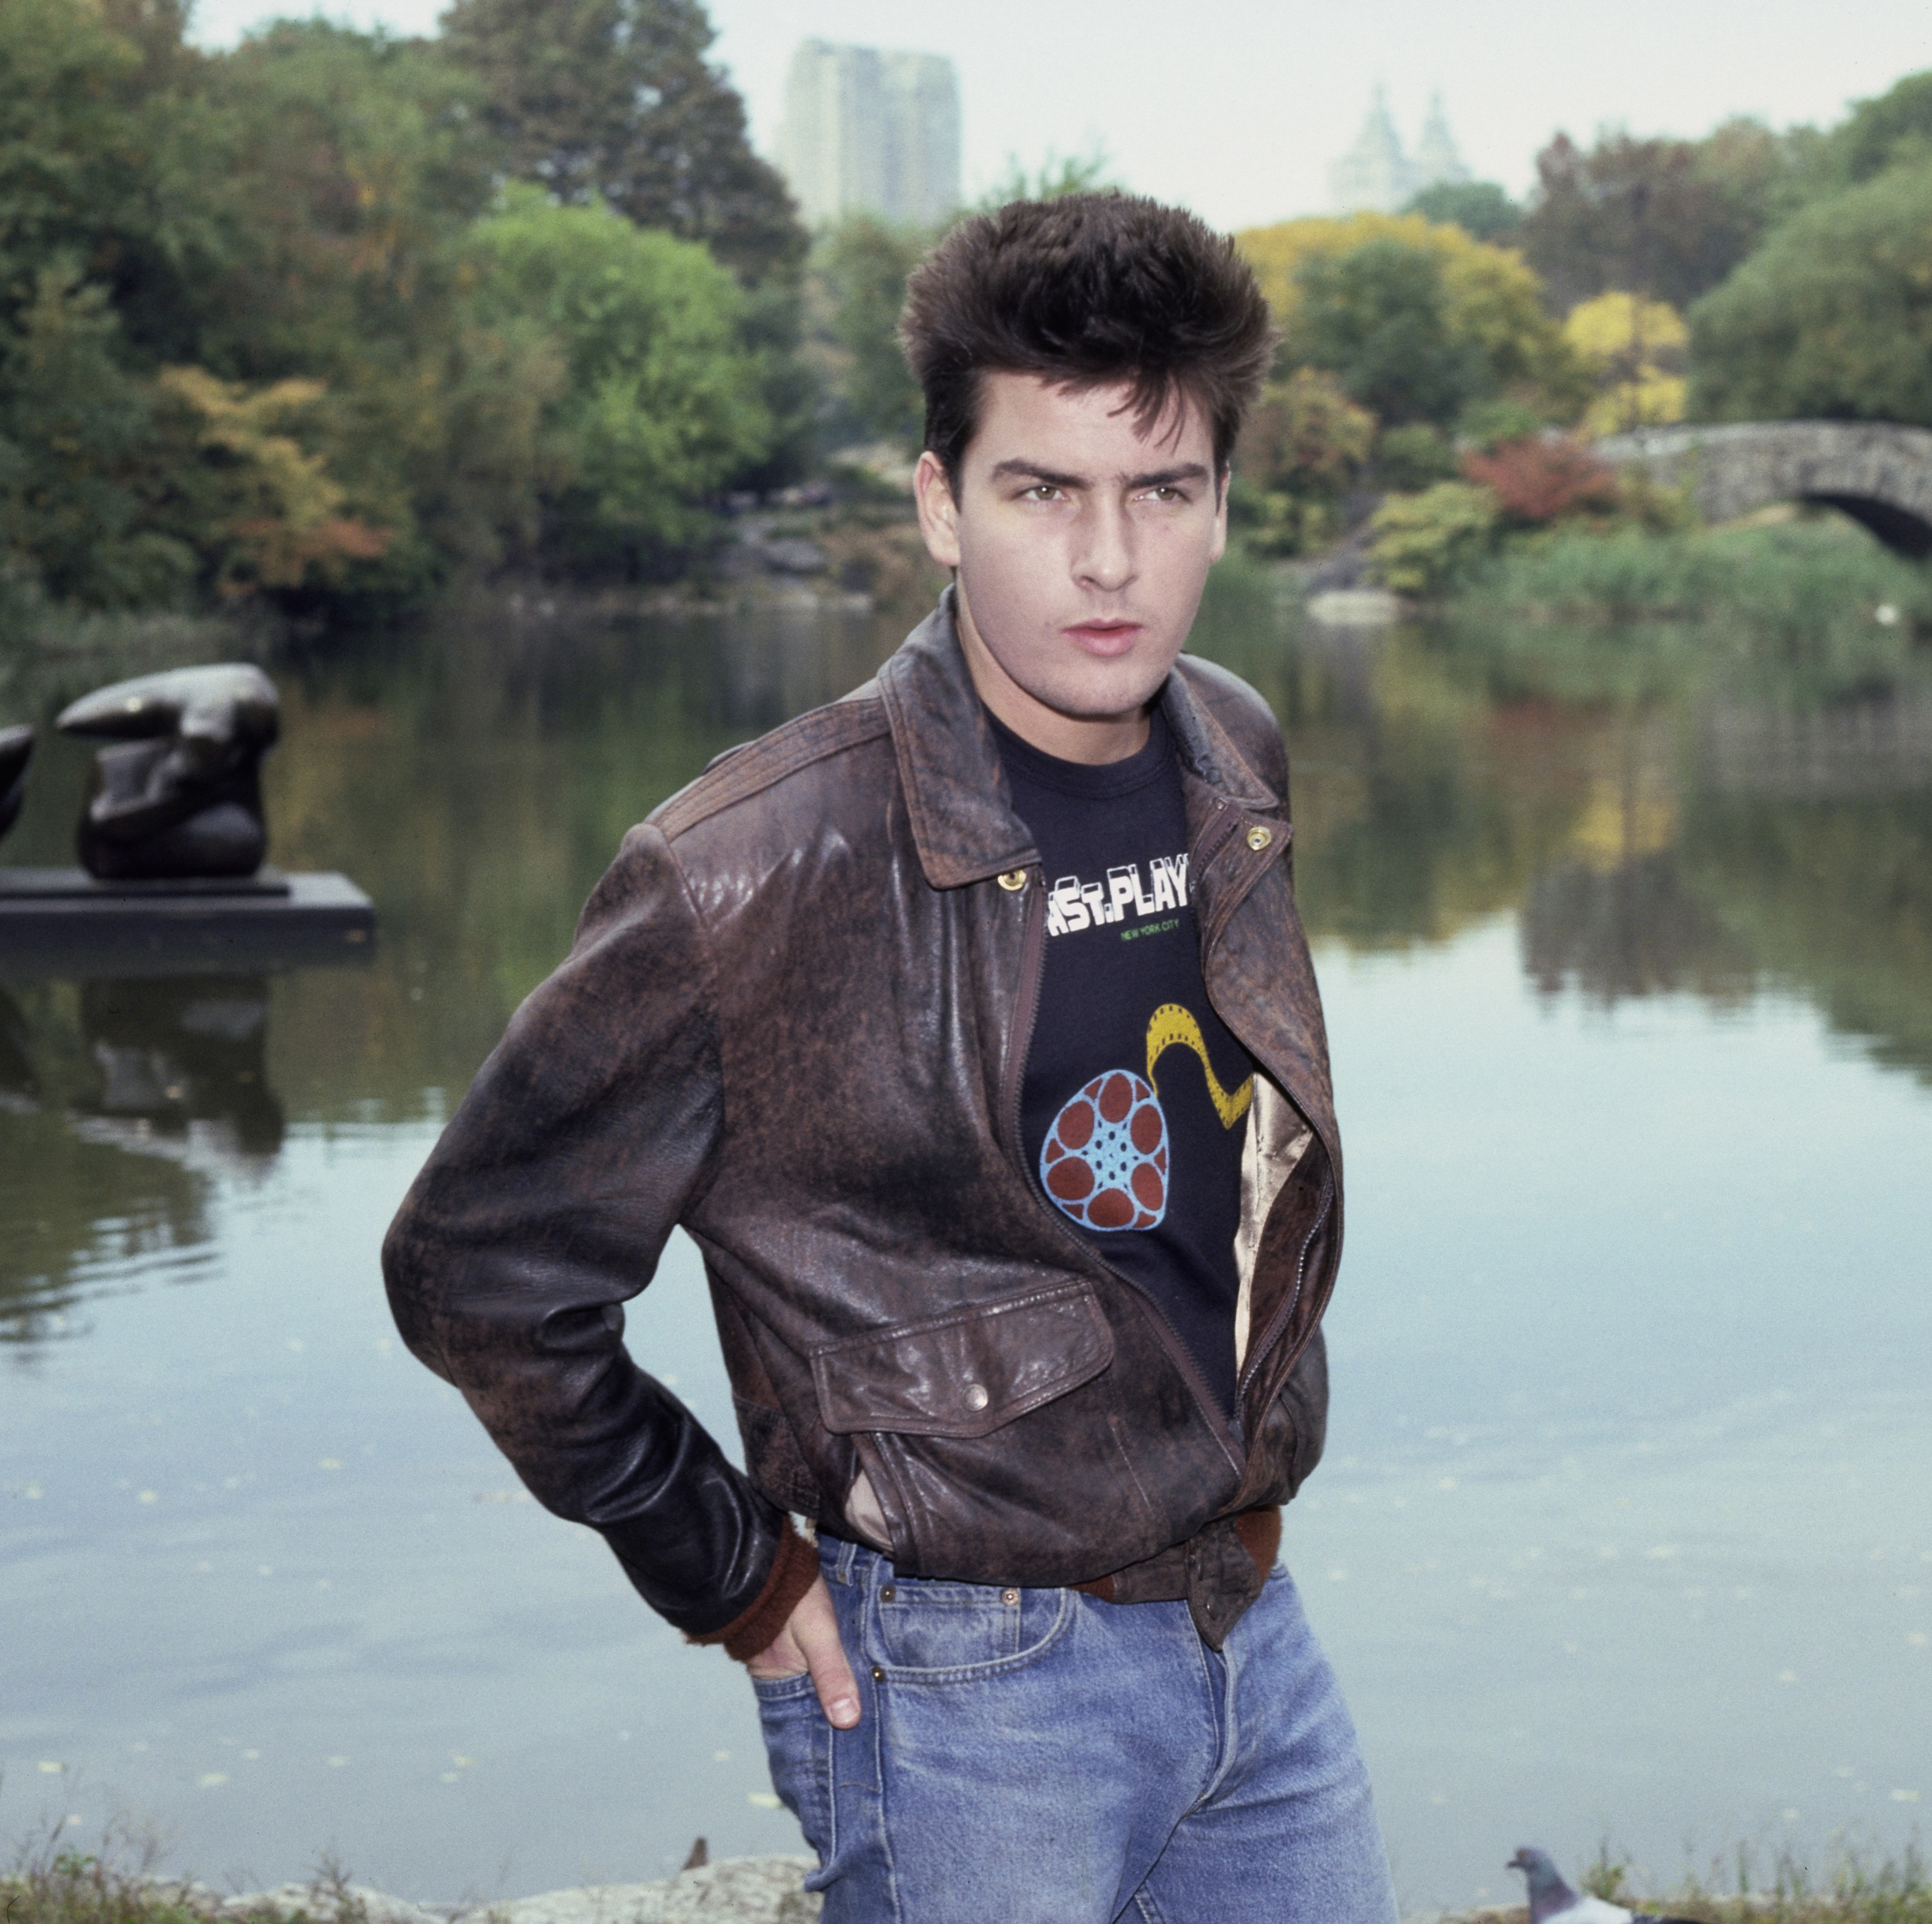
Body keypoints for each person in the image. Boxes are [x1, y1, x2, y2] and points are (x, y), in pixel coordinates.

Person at [381, 192, 1396, 1924]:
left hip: (1253, 1627)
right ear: (940, 502)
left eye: (1162, 492)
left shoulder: (1236, 746)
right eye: (1042, 490)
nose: (1108, 559)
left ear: (1224, 502)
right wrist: (732, 1571)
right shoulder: (751, 864)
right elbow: (479, 1269)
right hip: (963, 1684)